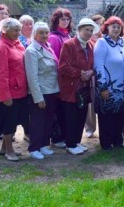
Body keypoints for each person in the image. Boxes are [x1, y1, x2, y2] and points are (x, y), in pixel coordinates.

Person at [0, 18, 28, 162]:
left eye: (19, 30)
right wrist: (5, 96)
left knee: (14, 120)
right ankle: (9, 151)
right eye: (15, 30)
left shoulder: (16, 44)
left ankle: (4, 149)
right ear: (5, 30)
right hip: (10, 93)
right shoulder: (0, 48)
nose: (18, 33)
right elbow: (0, 75)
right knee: (9, 122)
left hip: (19, 90)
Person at [58, 18, 97, 155]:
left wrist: (91, 72)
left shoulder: (90, 45)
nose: (89, 33)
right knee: (71, 117)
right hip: (70, 88)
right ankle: (70, 144)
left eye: (91, 30)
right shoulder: (69, 45)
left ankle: (76, 142)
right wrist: (80, 73)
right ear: (79, 30)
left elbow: (93, 66)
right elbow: (63, 67)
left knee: (81, 115)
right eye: (86, 30)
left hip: (84, 88)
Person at [24, 22, 60, 160]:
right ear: (35, 34)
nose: (44, 35)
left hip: (52, 90)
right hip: (41, 92)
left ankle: (44, 144)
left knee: (48, 120)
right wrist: (38, 98)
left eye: (46, 32)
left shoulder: (48, 47)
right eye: (41, 33)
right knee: (38, 122)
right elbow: (32, 76)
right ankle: (34, 148)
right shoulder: (31, 50)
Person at [94, 16, 124, 150]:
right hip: (107, 87)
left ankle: (117, 141)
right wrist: (103, 87)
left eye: (118, 26)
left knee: (120, 115)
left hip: (122, 87)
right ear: (106, 28)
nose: (116, 28)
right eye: (113, 26)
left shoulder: (122, 42)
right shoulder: (102, 42)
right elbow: (98, 65)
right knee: (107, 117)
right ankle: (106, 143)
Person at [48, 8, 73, 148]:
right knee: (57, 110)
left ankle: (63, 135)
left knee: (64, 110)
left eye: (67, 19)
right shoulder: (54, 37)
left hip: (68, 79)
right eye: (62, 19)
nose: (65, 22)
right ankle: (56, 138)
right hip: (59, 79)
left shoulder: (68, 36)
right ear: (56, 20)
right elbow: (56, 61)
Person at [85, 15, 105, 138]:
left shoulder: (104, 38)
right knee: (90, 103)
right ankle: (90, 128)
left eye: (101, 23)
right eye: (96, 23)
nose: (99, 25)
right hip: (91, 74)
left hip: (102, 74)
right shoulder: (88, 39)